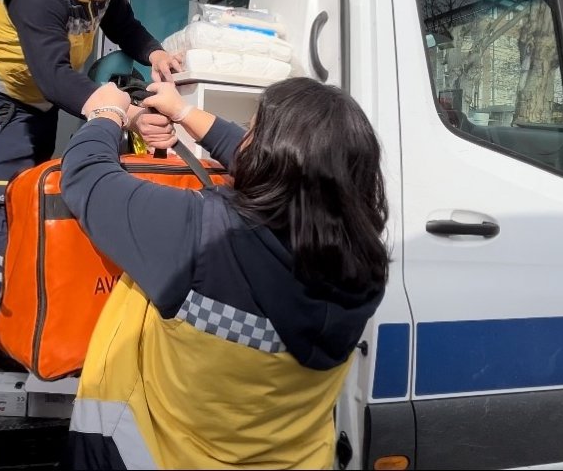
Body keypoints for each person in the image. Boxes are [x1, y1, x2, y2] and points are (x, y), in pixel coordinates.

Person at [61, 78, 391, 469]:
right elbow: (294, 172)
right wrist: (183, 113)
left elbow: (88, 181)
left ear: (269, 153)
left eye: (251, 129)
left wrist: (106, 113)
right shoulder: (364, 264)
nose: (244, 139)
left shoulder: (199, 237)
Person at [0, 0, 181, 369]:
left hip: (38, 97)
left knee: (36, 197)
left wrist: (155, 53)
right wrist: (120, 112)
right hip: (2, 92)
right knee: (12, 207)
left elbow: (125, 26)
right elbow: (55, 76)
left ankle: (37, 311)